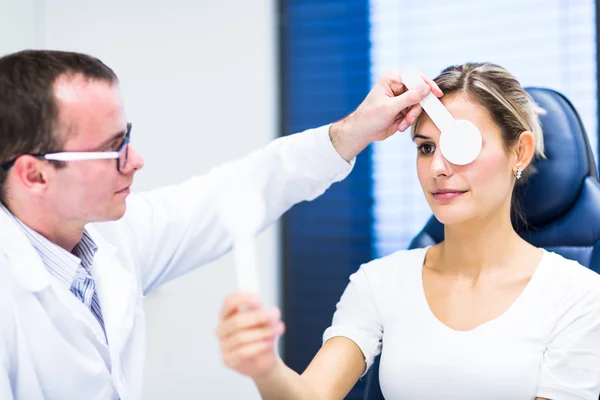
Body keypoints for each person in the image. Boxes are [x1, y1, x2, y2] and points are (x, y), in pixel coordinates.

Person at [0, 49, 439, 399]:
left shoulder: (111, 237)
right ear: (34, 174)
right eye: (113, 148)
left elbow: (239, 189)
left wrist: (357, 128)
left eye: (128, 138)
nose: (136, 160)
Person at [216, 63, 600, 400]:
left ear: (519, 152)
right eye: (426, 148)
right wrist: (265, 367)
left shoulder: (577, 297)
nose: (438, 168)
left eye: (461, 145)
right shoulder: (381, 283)